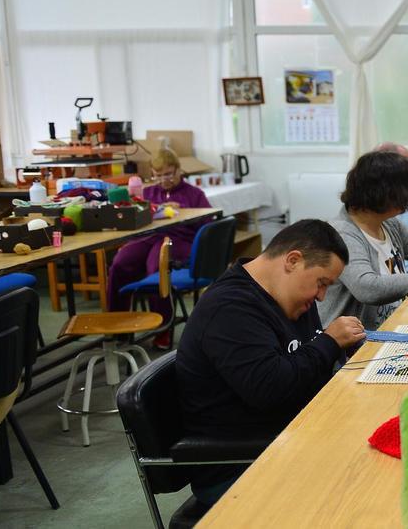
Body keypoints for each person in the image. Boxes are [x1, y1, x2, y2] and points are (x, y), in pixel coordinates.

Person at [176, 219, 366, 506]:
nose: (322, 296)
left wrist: (340, 352)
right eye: (322, 283)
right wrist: (329, 343)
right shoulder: (230, 308)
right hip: (242, 466)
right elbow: (271, 388)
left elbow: (307, 363)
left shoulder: (291, 299)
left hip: (289, 440)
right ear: (292, 260)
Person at [317, 146, 408, 330]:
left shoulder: (389, 225)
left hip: (393, 327)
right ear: (385, 194)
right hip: (358, 345)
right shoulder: (342, 234)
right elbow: (368, 288)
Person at [107, 148, 212, 347]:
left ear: (179, 170)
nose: (164, 179)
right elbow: (137, 218)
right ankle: (117, 325)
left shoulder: (194, 194)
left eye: (168, 174)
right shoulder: (148, 193)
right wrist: (155, 210)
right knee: (120, 264)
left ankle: (163, 327)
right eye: (158, 175)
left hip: (180, 239)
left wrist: (183, 214)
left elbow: (207, 226)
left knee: (156, 267)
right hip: (149, 237)